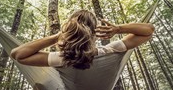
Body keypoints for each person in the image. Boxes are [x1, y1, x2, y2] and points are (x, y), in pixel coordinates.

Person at [10, 10, 154, 69]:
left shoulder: (61, 59)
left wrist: (57, 37)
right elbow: (148, 31)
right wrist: (118, 29)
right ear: (94, 34)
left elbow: (17, 54)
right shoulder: (109, 50)